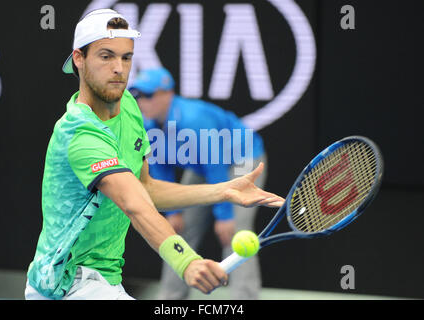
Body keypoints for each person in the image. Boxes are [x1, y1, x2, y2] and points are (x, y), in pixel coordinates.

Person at [24, 9, 284, 300]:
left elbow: (145, 187)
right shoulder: (81, 132)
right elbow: (134, 203)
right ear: (79, 59)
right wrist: (186, 261)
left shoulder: (131, 109)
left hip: (104, 279)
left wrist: (224, 191)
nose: (119, 68)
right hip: (66, 281)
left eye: (126, 57)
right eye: (106, 56)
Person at [129, 67, 269, 300]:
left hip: (242, 158)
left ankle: (245, 299)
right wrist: (172, 212)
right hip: (204, 164)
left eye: (149, 95)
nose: (142, 102)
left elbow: (216, 168)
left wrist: (225, 217)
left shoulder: (194, 120)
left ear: (167, 94)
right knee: (179, 230)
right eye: (138, 96)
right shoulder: (145, 123)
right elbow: (160, 166)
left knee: (237, 235)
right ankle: (170, 298)